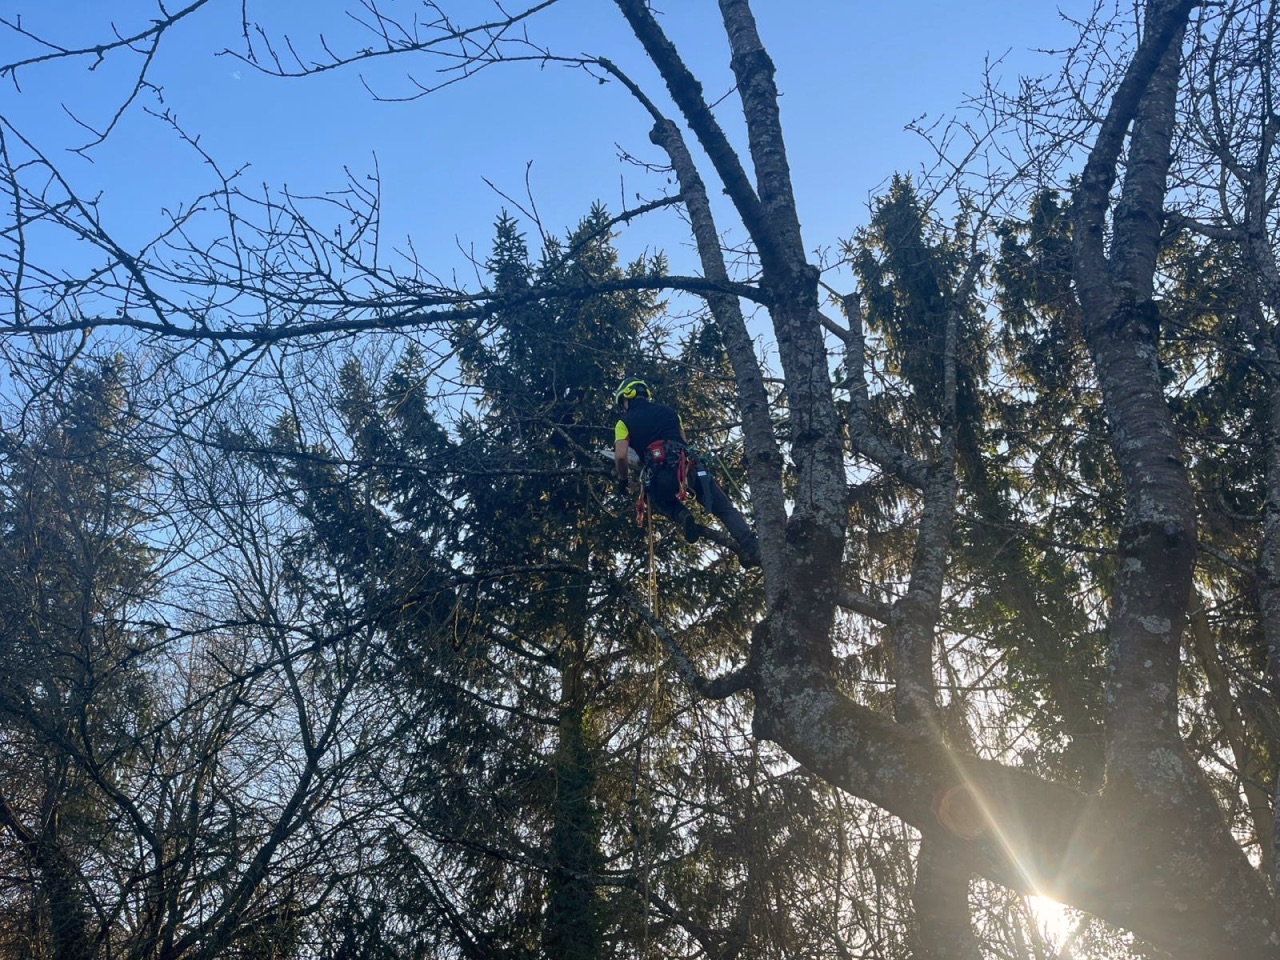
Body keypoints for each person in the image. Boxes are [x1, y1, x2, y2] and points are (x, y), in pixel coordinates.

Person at [612, 377, 760, 567]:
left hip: (661, 476)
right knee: (724, 508)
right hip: (689, 466)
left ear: (627, 396)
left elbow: (621, 457)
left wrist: (623, 480)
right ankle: (751, 546)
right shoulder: (670, 413)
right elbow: (683, 441)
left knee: (659, 501)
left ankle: (683, 515)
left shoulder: (623, 422)